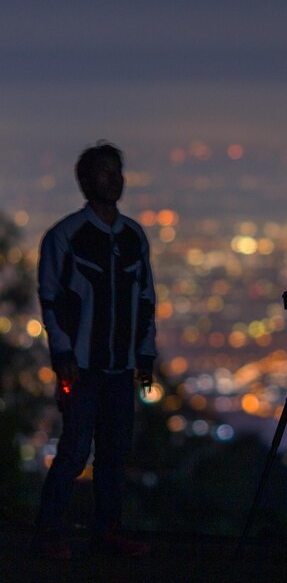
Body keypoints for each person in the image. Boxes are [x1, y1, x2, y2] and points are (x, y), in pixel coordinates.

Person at [33, 142, 157, 559]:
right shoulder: (65, 236)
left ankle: (107, 532)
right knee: (74, 449)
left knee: (114, 452)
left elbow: (146, 299)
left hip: (121, 366)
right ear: (85, 181)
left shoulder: (133, 236)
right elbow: (50, 299)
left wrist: (145, 355)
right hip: (82, 367)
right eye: (104, 172)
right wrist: (63, 352)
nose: (114, 179)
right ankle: (49, 533)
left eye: (116, 172)